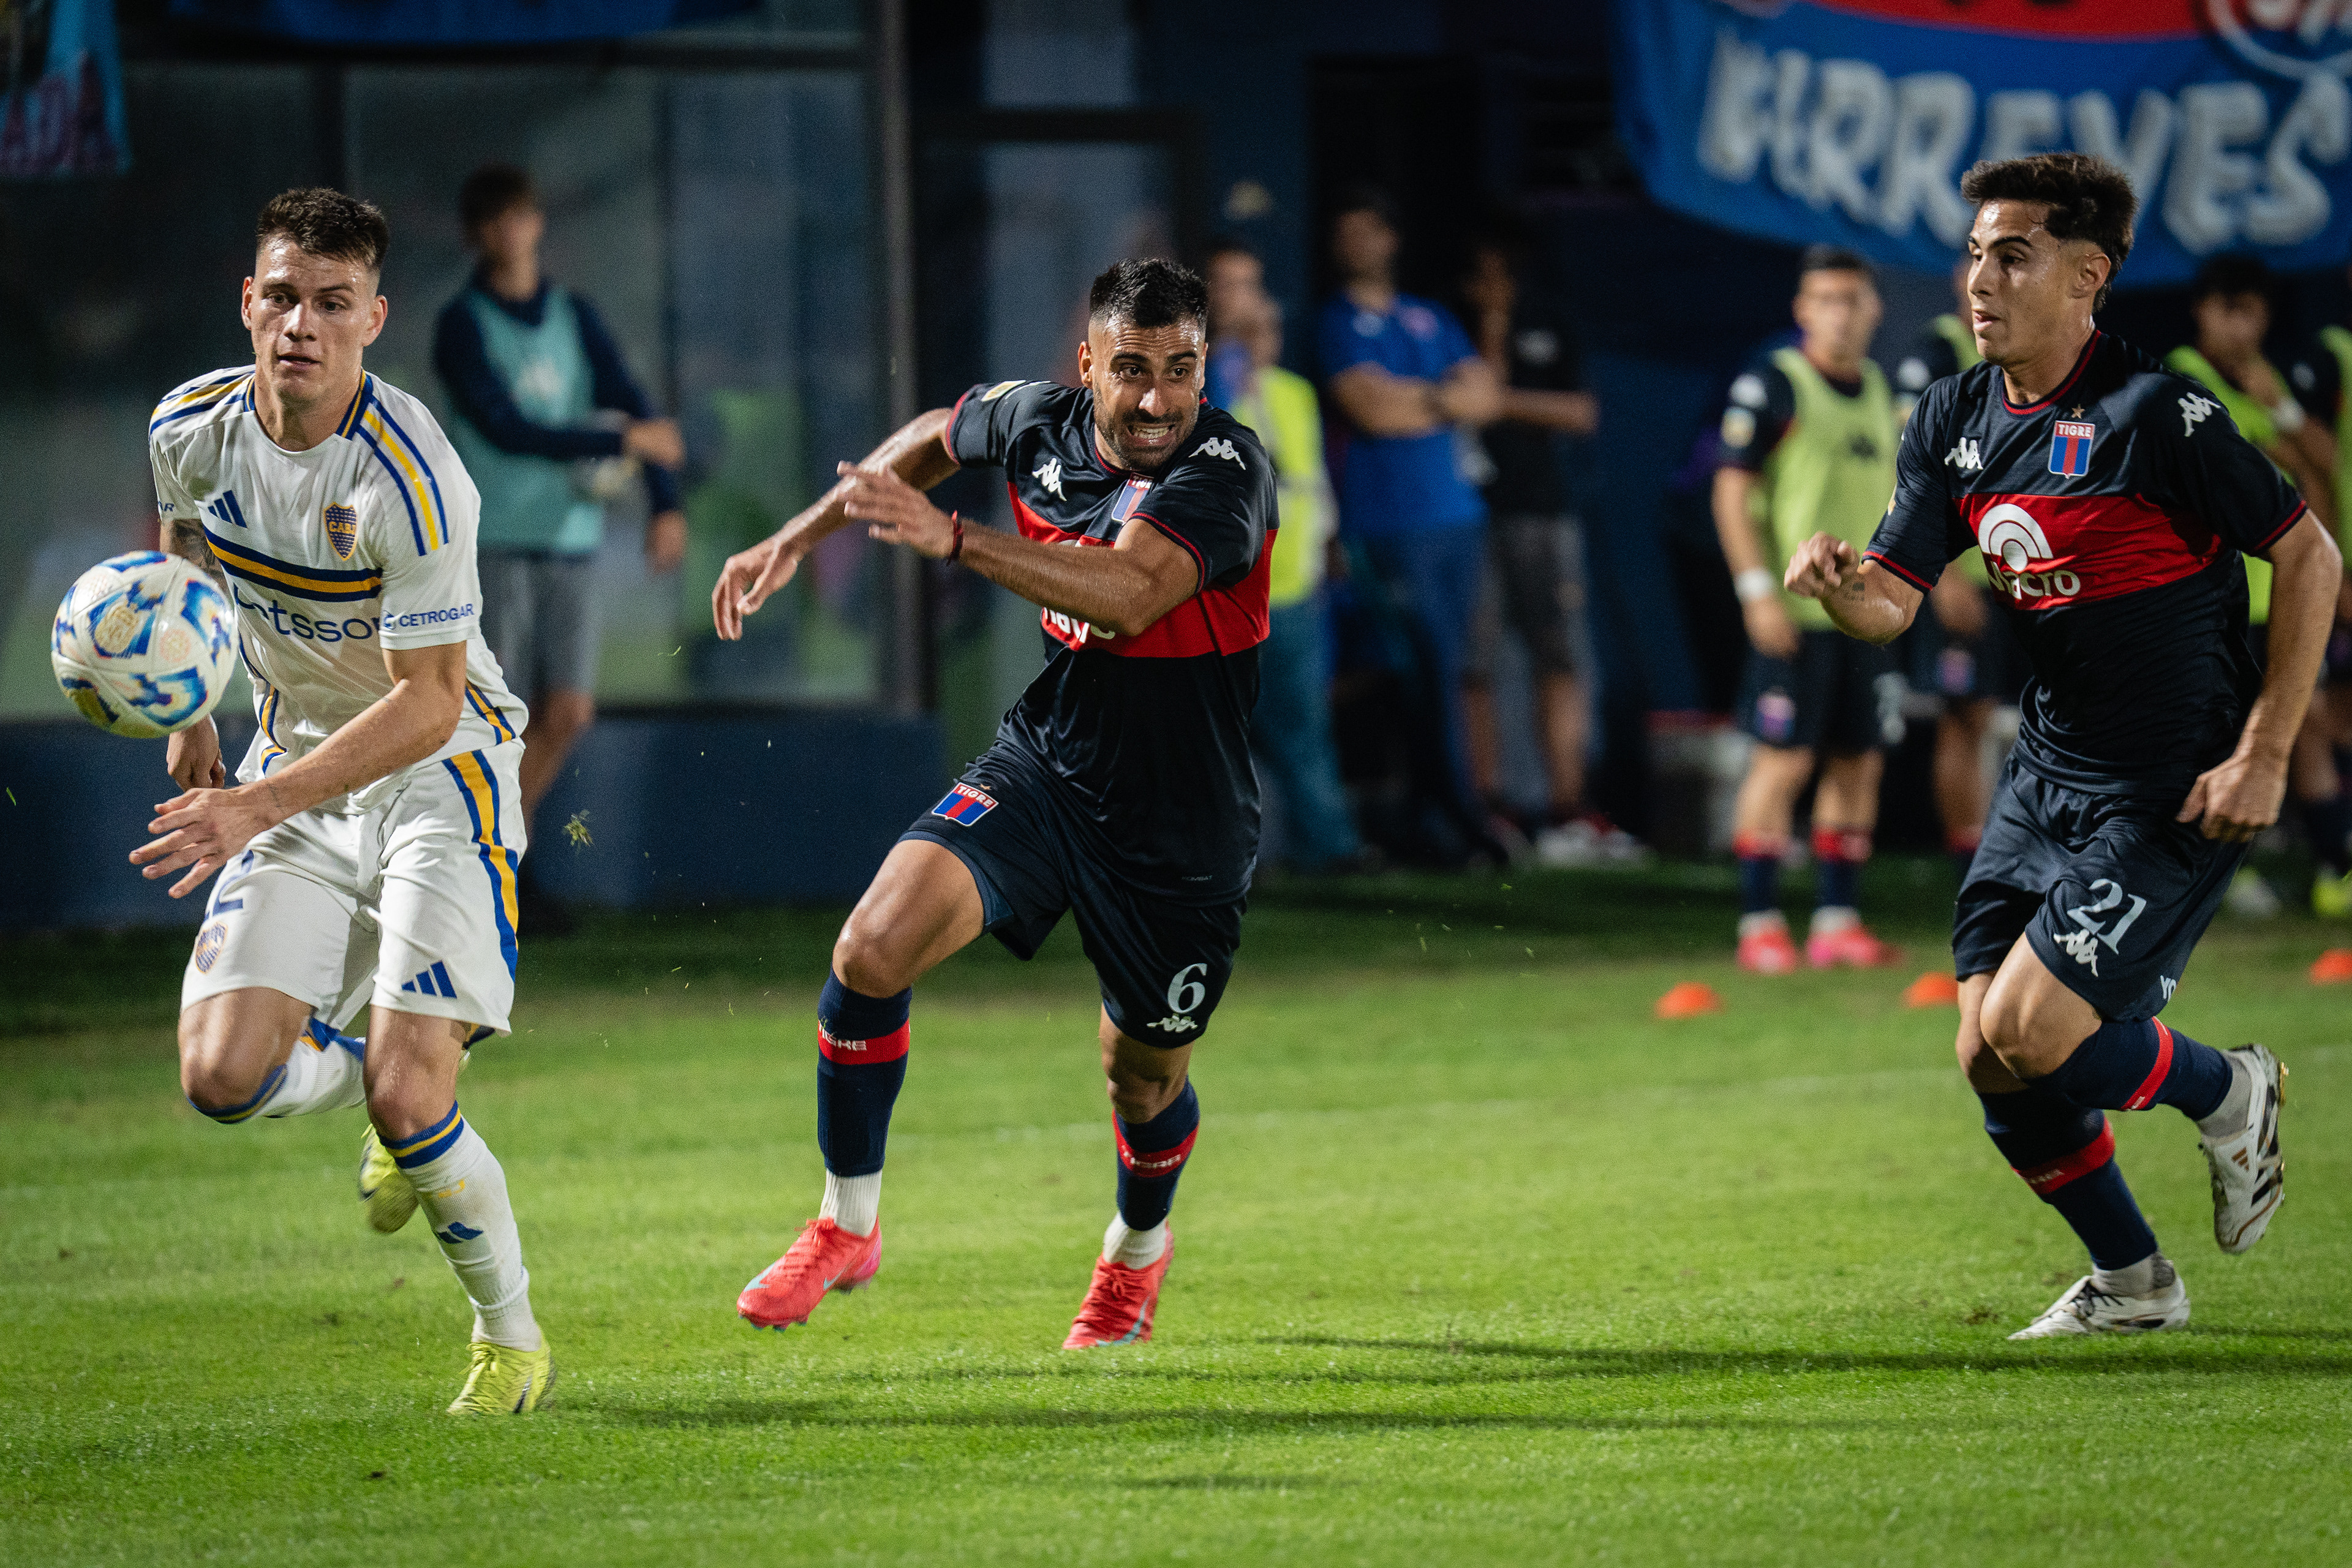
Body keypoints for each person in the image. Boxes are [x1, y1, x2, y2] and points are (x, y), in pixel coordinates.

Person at [1790, 151, 2324, 1337]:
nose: (1980, 277)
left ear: (2090, 277)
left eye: (2013, 254)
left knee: (2039, 1032)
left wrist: (2268, 750)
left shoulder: (2155, 415)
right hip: (2047, 776)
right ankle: (2135, 1282)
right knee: (1989, 1056)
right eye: (1975, 251)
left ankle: (2229, 1088)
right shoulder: (1953, 416)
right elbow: (1894, 597)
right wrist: (1840, 588)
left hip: (2171, 783)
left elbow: (2309, 553)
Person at [711, 260, 1275, 1348]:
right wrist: (801, 536)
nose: (1158, 398)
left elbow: (1129, 597)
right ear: (1087, 367)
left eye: (1182, 370)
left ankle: (1136, 1257)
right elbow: (931, 435)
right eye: (1132, 371)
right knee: (873, 945)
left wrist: (956, 540)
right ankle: (847, 1224)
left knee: (1142, 1078)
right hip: (1050, 766)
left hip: (1180, 827)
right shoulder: (1038, 424)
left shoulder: (1226, 466)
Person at [138, 188, 552, 1411]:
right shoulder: (190, 427)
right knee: (218, 1075)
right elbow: (179, 557)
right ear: (247, 302)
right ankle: (356, 1062)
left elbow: (428, 702)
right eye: (281, 296)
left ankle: (511, 1334)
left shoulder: (415, 479)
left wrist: (255, 805)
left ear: (375, 316)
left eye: (331, 303)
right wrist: (189, 707)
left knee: (414, 1089)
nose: (300, 324)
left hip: (444, 770)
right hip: (287, 766)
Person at [432, 162, 687, 933]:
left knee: (568, 711)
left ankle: (498, 849)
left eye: (522, 215)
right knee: (492, 718)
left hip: (570, 540)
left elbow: (635, 405)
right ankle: (488, 864)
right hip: (497, 541)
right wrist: (613, 437)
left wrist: (664, 504)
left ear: (537, 223)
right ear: (479, 233)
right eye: (495, 219)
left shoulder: (574, 315)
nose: (511, 232)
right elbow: (506, 426)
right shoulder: (462, 324)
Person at [1712, 246, 1904, 973]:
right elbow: (1730, 492)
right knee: (1782, 762)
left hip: (1866, 615)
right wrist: (1757, 590)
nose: (1841, 313)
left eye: (1853, 299)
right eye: (1826, 299)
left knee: (1859, 763)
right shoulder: (1776, 385)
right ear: (1802, 310)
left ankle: (1835, 920)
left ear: (1875, 309)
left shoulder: (1882, 389)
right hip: (1794, 615)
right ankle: (1760, 923)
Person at [1316, 186, 1505, 864]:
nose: (1354, 246)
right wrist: (1441, 400)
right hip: (1386, 526)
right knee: (1420, 667)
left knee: (1452, 669)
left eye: (1366, 231)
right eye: (1344, 235)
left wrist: (1421, 401)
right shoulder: (1335, 323)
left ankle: (1444, 814)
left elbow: (1487, 397)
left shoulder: (1429, 318)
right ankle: (1444, 817)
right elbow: (1371, 411)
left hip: (1458, 520)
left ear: (1391, 240)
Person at [2166, 254, 2347, 922]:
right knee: (2212, 740)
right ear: (2203, 312)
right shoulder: (2184, 376)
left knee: (2307, 725)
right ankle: (2203, 880)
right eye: (2229, 309)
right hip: (2215, 598)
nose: (2243, 325)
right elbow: (2235, 470)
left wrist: (2283, 411)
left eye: (2254, 310)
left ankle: (2335, 866)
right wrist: (2285, 451)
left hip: (2287, 594)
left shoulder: (2272, 381)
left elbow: (2325, 468)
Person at [1453, 230, 1631, 867]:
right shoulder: (1451, 326)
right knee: (1471, 665)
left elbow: (1581, 412)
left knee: (1558, 660)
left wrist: (1502, 402)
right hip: (1467, 518)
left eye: (1504, 274)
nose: (1493, 286)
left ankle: (1566, 805)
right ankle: (1490, 809)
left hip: (1542, 513)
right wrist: (1490, 331)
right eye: (1482, 276)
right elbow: (1472, 393)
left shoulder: (1550, 322)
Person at [1222, 288, 1366, 873]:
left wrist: (1329, 546)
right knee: (1221, 738)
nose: (1260, 341)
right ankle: (1227, 862)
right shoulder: (1205, 398)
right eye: (1245, 329)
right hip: (1222, 596)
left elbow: (1312, 481)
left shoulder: (1294, 393)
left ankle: (1329, 847)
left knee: (1304, 726)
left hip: (1293, 593)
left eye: (1269, 327)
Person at [1898, 256, 2030, 884]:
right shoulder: (1937, 355)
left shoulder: (2030, 355)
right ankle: (1970, 870)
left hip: (2026, 577)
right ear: (1959, 276)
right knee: (1966, 719)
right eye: (1979, 264)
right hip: (1967, 578)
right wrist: (1942, 575)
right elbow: (1912, 472)